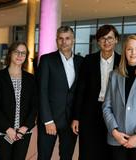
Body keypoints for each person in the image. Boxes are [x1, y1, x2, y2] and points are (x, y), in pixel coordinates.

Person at [71, 24, 121, 160]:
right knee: (88, 152)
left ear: (116, 39)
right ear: (98, 41)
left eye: (110, 38)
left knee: (109, 152)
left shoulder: (122, 61)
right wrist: (76, 117)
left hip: (113, 113)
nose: (106, 42)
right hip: (90, 113)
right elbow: (81, 89)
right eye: (103, 38)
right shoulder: (89, 60)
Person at [37, 26, 84, 160]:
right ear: (56, 41)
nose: (64, 42)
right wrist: (48, 120)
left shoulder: (81, 62)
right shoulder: (46, 60)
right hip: (49, 121)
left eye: (67, 38)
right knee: (43, 157)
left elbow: (81, 92)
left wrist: (78, 117)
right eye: (61, 38)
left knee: (67, 157)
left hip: (71, 122)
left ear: (73, 40)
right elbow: (42, 91)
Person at [0, 41, 38, 160]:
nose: (20, 55)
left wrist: (24, 128)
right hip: (2, 131)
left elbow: (35, 106)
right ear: (10, 54)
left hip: (23, 132)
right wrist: (8, 129)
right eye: (17, 52)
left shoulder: (31, 79)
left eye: (23, 53)